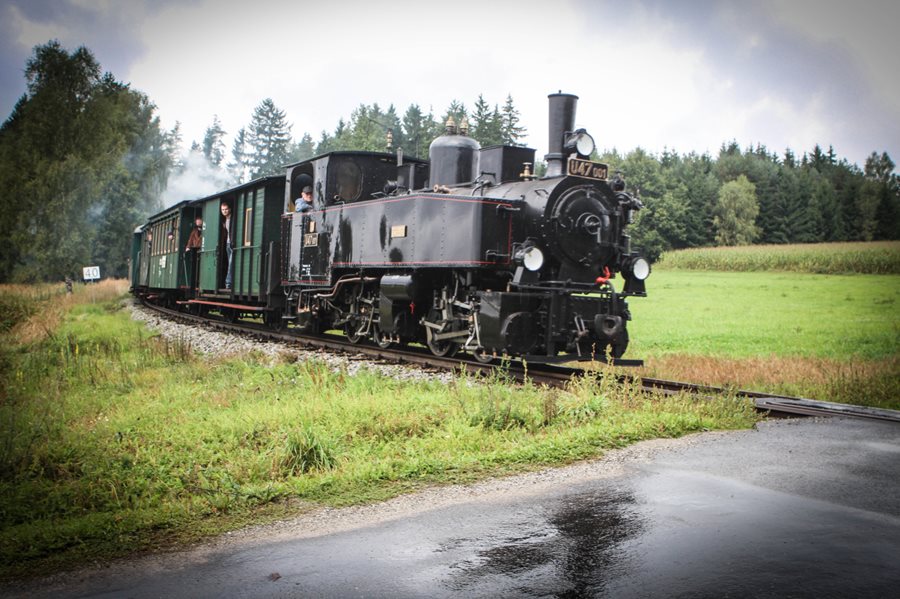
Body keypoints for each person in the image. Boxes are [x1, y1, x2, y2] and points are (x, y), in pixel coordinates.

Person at [185, 217, 203, 289]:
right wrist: (188, 247)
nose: (198, 222)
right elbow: (190, 239)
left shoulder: (205, 230)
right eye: (197, 221)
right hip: (196, 249)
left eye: (199, 221)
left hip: (202, 249)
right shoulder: (194, 231)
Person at [221, 202, 233, 289]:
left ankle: (228, 283)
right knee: (230, 263)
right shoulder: (224, 219)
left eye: (226, 209)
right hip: (227, 244)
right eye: (222, 210)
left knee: (231, 263)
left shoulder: (233, 218)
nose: (224, 211)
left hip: (232, 243)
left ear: (229, 209)